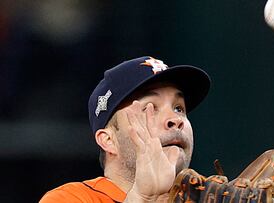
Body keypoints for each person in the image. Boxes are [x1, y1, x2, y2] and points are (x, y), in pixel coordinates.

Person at [39, 56, 211, 203]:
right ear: (108, 140)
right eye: (150, 108)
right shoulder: (72, 198)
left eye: (179, 108)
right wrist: (143, 198)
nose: (175, 120)